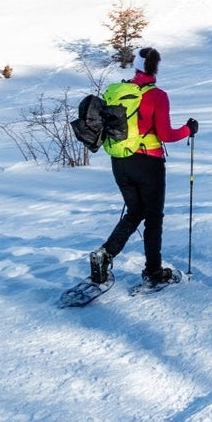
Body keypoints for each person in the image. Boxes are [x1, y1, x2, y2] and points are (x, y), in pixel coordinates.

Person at [89, 46, 197, 288]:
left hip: (120, 160)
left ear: (136, 66)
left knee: (135, 211)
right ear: (156, 68)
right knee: (153, 218)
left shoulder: (117, 91)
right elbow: (166, 135)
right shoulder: (157, 96)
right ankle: (153, 272)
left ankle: (105, 253)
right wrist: (188, 129)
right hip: (148, 163)